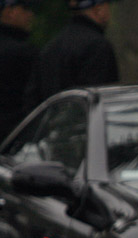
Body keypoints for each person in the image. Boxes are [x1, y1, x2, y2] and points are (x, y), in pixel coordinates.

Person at [27, 0, 118, 106]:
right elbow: (101, 98)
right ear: (99, 10)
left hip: (52, 119)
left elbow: (32, 97)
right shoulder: (98, 46)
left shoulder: (51, 46)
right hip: (84, 120)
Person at [0, 0, 40, 141]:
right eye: (25, 8)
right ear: (9, 12)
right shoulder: (25, 53)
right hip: (16, 140)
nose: (30, 15)